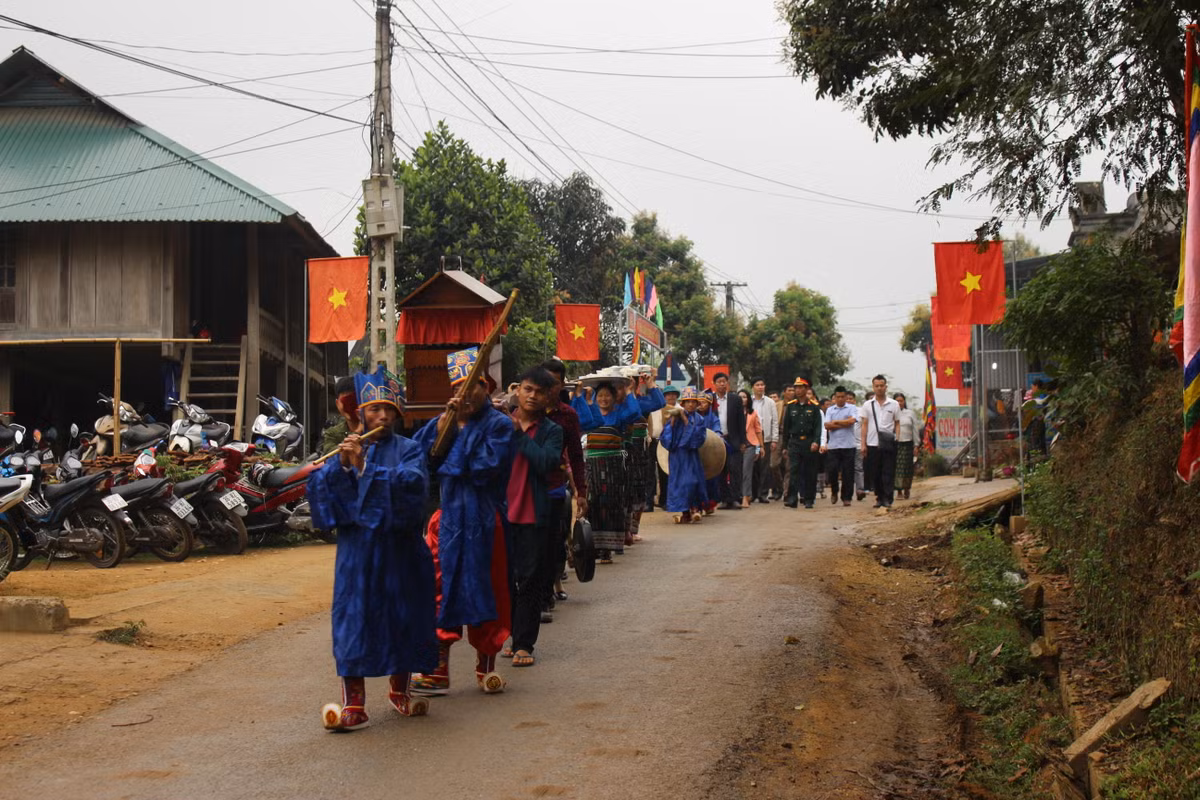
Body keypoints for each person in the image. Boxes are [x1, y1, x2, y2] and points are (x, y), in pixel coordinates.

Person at [309, 366, 437, 732]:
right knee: (353, 622)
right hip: (358, 553)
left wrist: (366, 469)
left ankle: (400, 692)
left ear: (397, 414)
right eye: (374, 409)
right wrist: (344, 468)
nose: (381, 416)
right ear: (361, 412)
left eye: (388, 410)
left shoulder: (410, 449)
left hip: (399, 550)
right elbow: (323, 495)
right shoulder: (346, 447)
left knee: (402, 618)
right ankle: (354, 704)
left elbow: (414, 488)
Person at [410, 348, 514, 697]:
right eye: (459, 386)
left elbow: (485, 467)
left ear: (486, 387)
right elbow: (419, 464)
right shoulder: (442, 422)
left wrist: (453, 438)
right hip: (448, 520)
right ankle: (437, 670)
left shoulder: (500, 424)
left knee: (489, 590)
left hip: (486, 521)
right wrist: (442, 432)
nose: (465, 394)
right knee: (437, 591)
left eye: (473, 387)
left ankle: (486, 667)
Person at [504, 367, 564, 669]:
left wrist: (519, 435)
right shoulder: (499, 424)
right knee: (504, 579)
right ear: (518, 390)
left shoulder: (552, 431)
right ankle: (512, 634)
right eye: (527, 389)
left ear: (546, 398)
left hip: (533, 514)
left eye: (539, 392)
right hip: (501, 513)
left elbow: (546, 462)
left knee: (529, 580)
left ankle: (524, 642)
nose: (532, 396)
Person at [573, 375, 641, 563]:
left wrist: (629, 391)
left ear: (613, 398)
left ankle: (607, 548)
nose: (603, 399)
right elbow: (577, 418)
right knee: (592, 504)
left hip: (613, 468)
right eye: (600, 396)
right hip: (592, 467)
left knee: (611, 505)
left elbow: (635, 413)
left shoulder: (619, 415)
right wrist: (579, 397)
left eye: (607, 396)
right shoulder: (591, 415)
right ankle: (592, 545)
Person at [538, 360, 586, 616]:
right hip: (525, 489)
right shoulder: (523, 409)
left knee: (553, 542)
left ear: (561, 384)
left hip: (556, 488)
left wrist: (582, 492)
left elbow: (576, 456)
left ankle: (546, 596)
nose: (547, 388)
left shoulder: (568, 415)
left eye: (553, 382)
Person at [659, 387, 708, 524]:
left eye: (693, 402)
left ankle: (695, 509)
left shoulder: (699, 419)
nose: (691, 404)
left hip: (691, 456)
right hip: (677, 457)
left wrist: (686, 422)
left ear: (697, 404)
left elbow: (698, 438)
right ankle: (685, 512)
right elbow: (667, 440)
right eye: (688, 402)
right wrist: (673, 423)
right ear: (683, 404)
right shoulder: (674, 417)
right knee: (679, 484)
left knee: (692, 482)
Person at [780, 378, 825, 509]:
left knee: (810, 472)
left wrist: (816, 442)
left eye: (801, 387)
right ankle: (792, 498)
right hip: (795, 442)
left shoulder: (814, 406)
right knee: (793, 470)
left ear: (806, 389)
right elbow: (787, 427)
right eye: (796, 387)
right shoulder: (791, 406)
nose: (798, 390)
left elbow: (818, 427)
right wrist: (784, 447)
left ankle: (809, 499)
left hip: (809, 442)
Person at [859, 375, 901, 510]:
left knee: (888, 471)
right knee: (875, 472)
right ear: (873, 387)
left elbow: (897, 422)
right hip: (872, 443)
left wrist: (897, 437)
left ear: (886, 387)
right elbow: (864, 425)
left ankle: (888, 498)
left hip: (888, 443)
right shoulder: (867, 405)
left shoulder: (894, 404)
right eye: (876, 386)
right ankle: (879, 497)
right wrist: (863, 444)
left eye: (881, 385)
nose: (879, 388)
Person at [711, 372, 745, 510]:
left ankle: (736, 498)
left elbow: (741, 422)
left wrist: (743, 441)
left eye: (724, 381)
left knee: (735, 469)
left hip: (733, 440)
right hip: (717, 440)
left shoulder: (735, 399)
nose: (722, 384)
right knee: (721, 470)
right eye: (719, 381)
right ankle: (724, 499)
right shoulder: (710, 399)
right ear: (714, 384)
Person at [822, 386, 858, 507]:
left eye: (843, 397)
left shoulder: (852, 408)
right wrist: (844, 423)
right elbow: (827, 426)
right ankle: (834, 491)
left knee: (848, 473)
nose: (841, 399)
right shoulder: (830, 410)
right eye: (838, 397)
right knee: (832, 471)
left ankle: (846, 497)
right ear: (835, 398)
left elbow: (852, 421)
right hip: (834, 446)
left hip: (849, 445)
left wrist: (836, 422)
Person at [650, 386, 681, 509]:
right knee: (650, 473)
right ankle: (650, 501)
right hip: (653, 442)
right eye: (668, 394)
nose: (671, 397)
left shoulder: (680, 410)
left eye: (673, 394)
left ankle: (665, 500)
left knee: (666, 473)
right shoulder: (655, 409)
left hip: (671, 444)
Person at [752, 379, 778, 503]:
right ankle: (752, 493)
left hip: (766, 439)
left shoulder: (770, 402)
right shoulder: (749, 402)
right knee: (753, 466)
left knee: (764, 467)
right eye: (757, 385)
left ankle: (763, 494)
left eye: (762, 384)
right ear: (753, 387)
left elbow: (774, 422)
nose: (760, 387)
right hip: (752, 440)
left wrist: (774, 439)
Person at [697, 390, 722, 515]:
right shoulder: (693, 417)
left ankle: (710, 504)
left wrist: (717, 435)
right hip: (696, 452)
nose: (701, 404)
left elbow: (717, 430)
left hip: (710, 452)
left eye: (704, 402)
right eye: (699, 402)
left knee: (711, 480)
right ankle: (697, 506)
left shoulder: (713, 418)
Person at [893, 392, 921, 500]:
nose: (899, 403)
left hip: (908, 444)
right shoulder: (891, 413)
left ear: (904, 402)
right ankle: (899, 491)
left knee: (907, 468)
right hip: (896, 444)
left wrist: (916, 445)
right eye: (897, 401)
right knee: (897, 468)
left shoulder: (910, 413)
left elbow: (915, 429)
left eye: (901, 400)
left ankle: (906, 488)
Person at [771, 385, 795, 501]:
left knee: (789, 466)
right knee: (773, 464)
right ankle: (780, 487)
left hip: (791, 437)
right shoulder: (777, 405)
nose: (792, 392)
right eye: (789, 390)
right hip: (779, 436)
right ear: (784, 392)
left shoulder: (796, 405)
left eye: (793, 390)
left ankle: (786, 492)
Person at [740, 389, 762, 508]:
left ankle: (745, 497)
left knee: (746, 472)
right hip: (738, 446)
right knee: (737, 472)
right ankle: (739, 495)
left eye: (744, 397)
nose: (742, 399)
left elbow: (758, 431)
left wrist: (760, 449)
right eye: (740, 397)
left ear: (748, 399)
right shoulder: (734, 413)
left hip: (751, 445)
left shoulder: (753, 413)